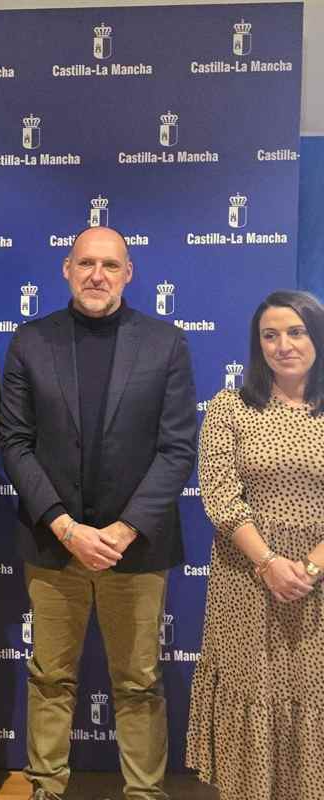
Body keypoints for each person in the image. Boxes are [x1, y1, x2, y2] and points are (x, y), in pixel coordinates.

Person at [0, 226, 197, 800]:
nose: (97, 275)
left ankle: (143, 792)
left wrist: (122, 529)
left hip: (136, 548)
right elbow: (15, 443)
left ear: (129, 274)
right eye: (86, 263)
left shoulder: (166, 343)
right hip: (53, 544)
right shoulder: (30, 341)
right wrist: (64, 526)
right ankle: (46, 787)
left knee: (138, 682)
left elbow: (177, 448)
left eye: (111, 265)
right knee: (50, 678)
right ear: (66, 268)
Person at [187, 289, 324, 799]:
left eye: (296, 332)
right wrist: (268, 563)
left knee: (312, 693)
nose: (282, 345)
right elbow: (219, 493)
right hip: (246, 577)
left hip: (318, 581)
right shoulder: (230, 407)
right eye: (270, 335)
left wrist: (307, 570)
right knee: (254, 694)